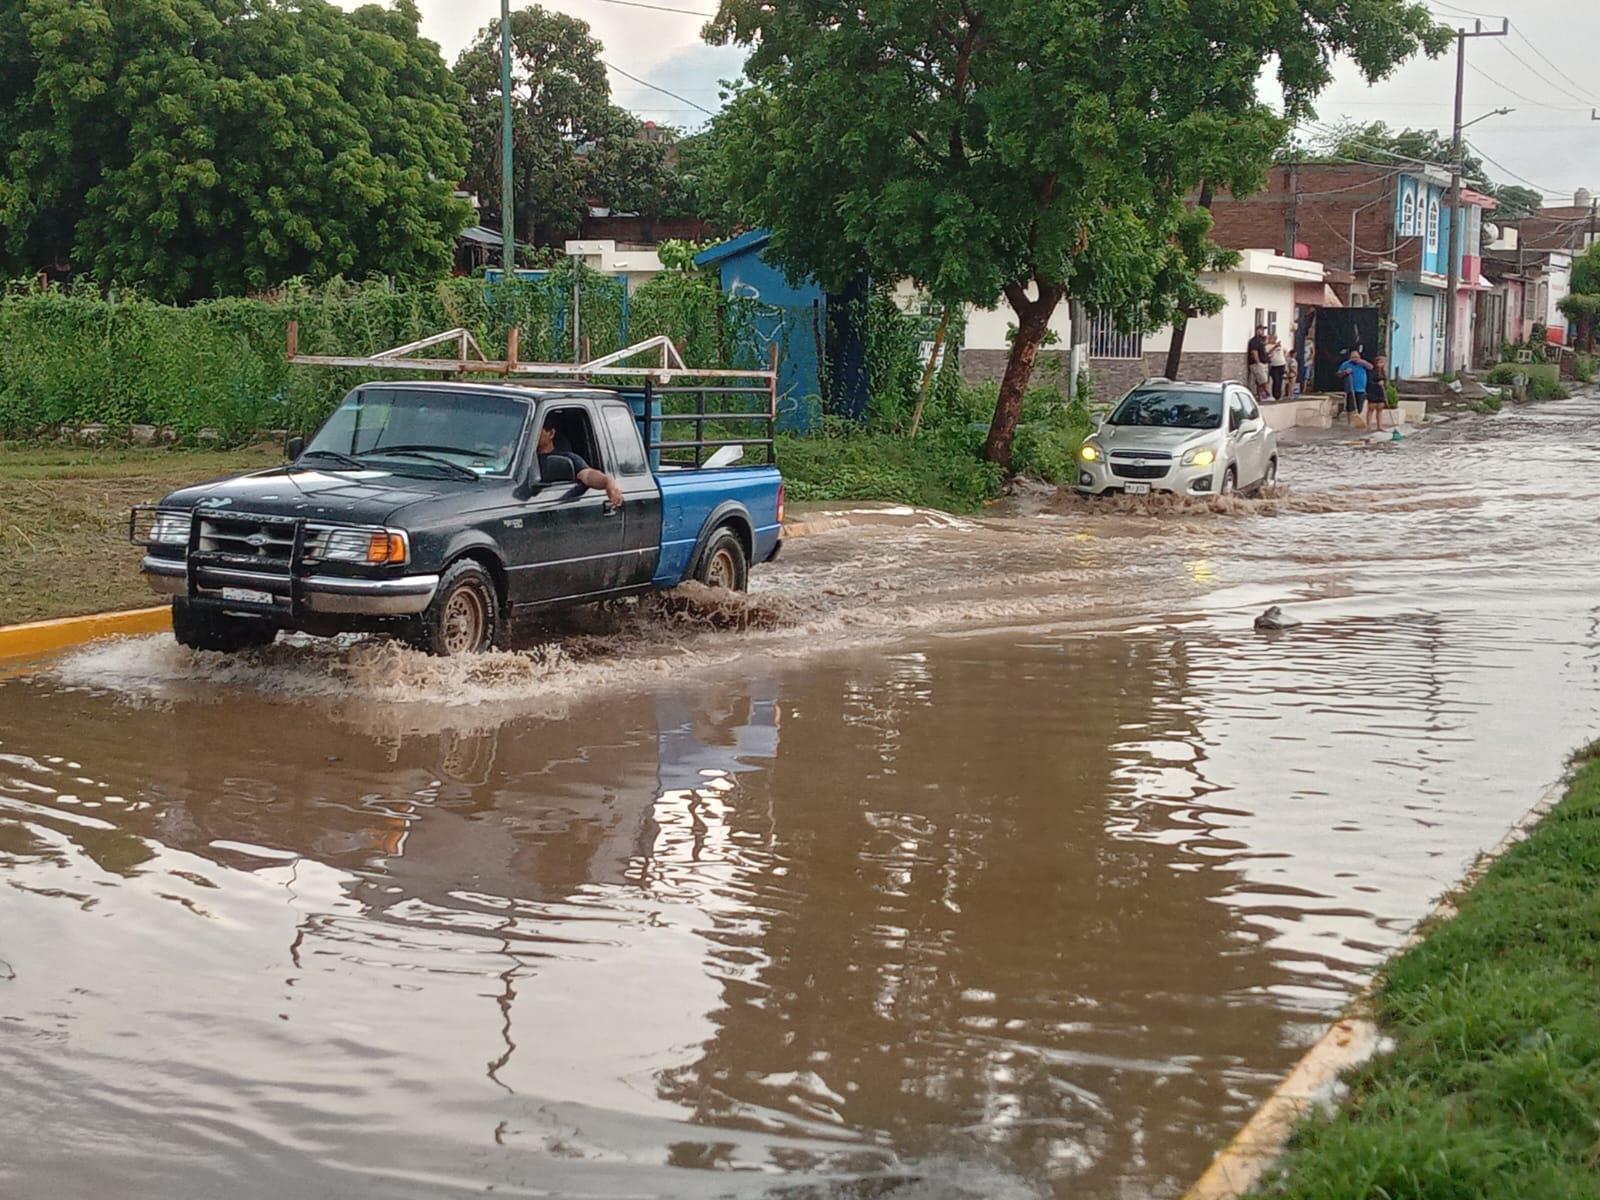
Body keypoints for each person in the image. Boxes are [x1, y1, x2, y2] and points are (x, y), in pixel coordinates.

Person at [537, 422, 624, 507]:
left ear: (551, 433)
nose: (527, 435)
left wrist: (608, 481)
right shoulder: (528, 462)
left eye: (537, 430)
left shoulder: (568, 458)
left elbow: (587, 475)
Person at [1337, 349, 1372, 427]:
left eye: (1356, 357)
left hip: (1361, 389)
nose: (1354, 359)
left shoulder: (1362, 363)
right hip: (1350, 388)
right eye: (1353, 357)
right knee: (1350, 407)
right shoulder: (1346, 364)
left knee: (1359, 407)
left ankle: (1356, 420)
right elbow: (1339, 374)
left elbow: (1370, 367)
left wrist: (1362, 362)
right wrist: (1345, 372)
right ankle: (1350, 423)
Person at [1247, 326, 1271, 401]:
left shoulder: (1261, 341)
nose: (1263, 331)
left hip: (1263, 363)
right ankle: (1268, 394)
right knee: (1263, 380)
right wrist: (1258, 362)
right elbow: (1254, 352)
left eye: (1263, 330)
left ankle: (1260, 396)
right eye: (1261, 330)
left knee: (1260, 381)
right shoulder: (1255, 340)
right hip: (1257, 364)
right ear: (1257, 330)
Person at [1366, 354, 1389, 430]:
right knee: (1371, 409)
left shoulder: (1383, 372)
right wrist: (1377, 383)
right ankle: (1369, 426)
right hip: (1373, 391)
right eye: (1379, 362)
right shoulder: (1372, 371)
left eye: (1382, 362)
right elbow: (1369, 381)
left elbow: (1385, 381)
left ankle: (1379, 426)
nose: (1381, 364)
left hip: (1380, 392)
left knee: (1380, 409)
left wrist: (1385, 384)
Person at [1267, 333, 1288, 400]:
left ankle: (1279, 395)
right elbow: (1268, 353)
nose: (1274, 339)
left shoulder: (1280, 346)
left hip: (1281, 364)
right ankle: (1275, 395)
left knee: (1280, 380)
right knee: (1276, 380)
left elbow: (1285, 351)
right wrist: (1274, 347)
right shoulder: (1268, 346)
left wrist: (1284, 358)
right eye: (1273, 338)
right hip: (1274, 365)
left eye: (1275, 338)